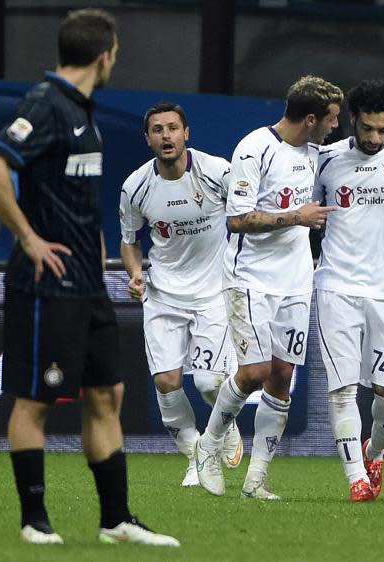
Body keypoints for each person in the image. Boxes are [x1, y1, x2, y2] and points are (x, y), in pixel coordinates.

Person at [0, 9, 178, 547]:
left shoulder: (82, 110)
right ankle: (34, 521)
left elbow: (81, 203)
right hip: (46, 284)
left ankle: (117, 521)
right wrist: (28, 238)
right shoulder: (45, 104)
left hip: (89, 283)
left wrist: (105, 260)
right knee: (35, 400)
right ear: (105, 55)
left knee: (108, 394)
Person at [195, 75, 343, 499]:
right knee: (254, 373)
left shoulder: (319, 151)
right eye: (332, 119)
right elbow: (237, 220)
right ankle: (209, 443)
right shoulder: (254, 148)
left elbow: (358, 153)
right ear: (311, 118)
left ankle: (256, 478)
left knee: (281, 377)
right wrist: (297, 217)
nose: (337, 126)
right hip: (250, 278)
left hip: (296, 280)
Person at [314, 79, 384, 501]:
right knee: (342, 389)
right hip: (336, 287)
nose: (375, 138)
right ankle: (355, 478)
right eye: (367, 129)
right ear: (352, 120)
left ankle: (375, 453)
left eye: (383, 130)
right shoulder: (326, 161)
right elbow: (306, 212)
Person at [119, 102, 243, 488]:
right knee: (167, 383)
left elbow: (243, 216)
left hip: (212, 293)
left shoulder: (217, 172)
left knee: (208, 383)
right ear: (148, 139)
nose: (166, 135)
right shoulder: (135, 187)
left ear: (186, 133)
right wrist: (136, 273)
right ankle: (196, 454)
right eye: (158, 130)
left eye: (173, 128)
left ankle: (223, 428)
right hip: (163, 295)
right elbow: (129, 242)